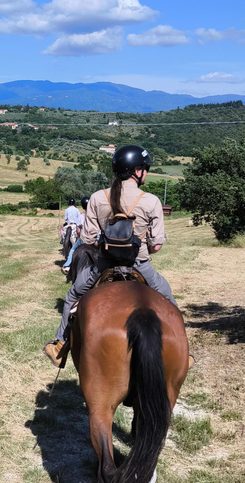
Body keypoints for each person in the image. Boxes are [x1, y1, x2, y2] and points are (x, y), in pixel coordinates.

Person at [44, 145, 178, 366]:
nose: (145, 172)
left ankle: (60, 346)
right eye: (144, 168)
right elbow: (155, 247)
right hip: (139, 265)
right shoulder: (151, 201)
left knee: (71, 296)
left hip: (103, 265)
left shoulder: (97, 198)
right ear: (137, 171)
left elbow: (86, 240)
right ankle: (185, 353)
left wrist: (104, 241)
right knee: (170, 301)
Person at [61, 196, 91, 274]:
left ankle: (67, 265)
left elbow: (77, 230)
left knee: (72, 250)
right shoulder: (78, 211)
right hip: (94, 237)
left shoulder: (68, 210)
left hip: (74, 228)